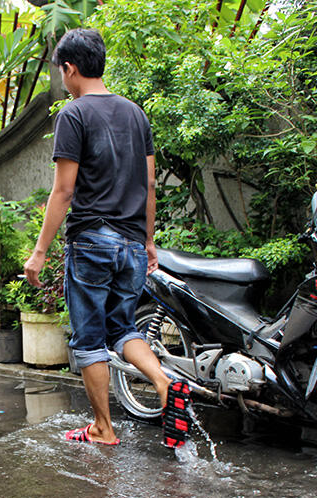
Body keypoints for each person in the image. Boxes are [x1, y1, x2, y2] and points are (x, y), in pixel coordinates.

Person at [23, 28, 192, 448]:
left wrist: (39, 253)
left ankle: (103, 427)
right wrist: (149, 241)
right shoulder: (136, 114)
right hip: (133, 243)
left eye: (61, 71)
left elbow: (63, 190)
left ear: (71, 68)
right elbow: (150, 184)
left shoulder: (73, 115)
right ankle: (164, 382)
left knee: (89, 338)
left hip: (92, 242)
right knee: (123, 328)